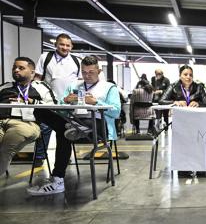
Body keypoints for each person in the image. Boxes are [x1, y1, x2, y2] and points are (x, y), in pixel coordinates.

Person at [27, 56, 121, 196]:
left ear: (99, 71)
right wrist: (64, 101)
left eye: (91, 72)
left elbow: (116, 112)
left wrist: (96, 103)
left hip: (98, 128)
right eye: (84, 72)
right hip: (72, 123)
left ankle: (58, 180)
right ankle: (74, 129)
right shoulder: (73, 86)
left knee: (64, 130)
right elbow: (62, 110)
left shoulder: (109, 88)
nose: (87, 75)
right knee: (42, 111)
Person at [0, 57, 56, 174]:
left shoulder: (41, 87)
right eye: (14, 67)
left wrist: (31, 102)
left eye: (21, 68)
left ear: (32, 72)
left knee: (6, 148)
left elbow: (53, 107)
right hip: (2, 121)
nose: (16, 70)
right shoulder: (5, 87)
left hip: (26, 123)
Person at [33, 33, 80, 167]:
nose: (64, 47)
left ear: (71, 46)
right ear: (56, 44)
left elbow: (80, 83)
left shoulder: (76, 61)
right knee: (45, 129)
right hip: (48, 102)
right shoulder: (45, 57)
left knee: (66, 132)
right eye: (61, 44)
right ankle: (39, 156)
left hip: (68, 104)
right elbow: (37, 78)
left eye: (67, 45)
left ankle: (65, 158)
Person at [160, 65, 206, 178]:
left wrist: (198, 104)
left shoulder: (199, 87)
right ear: (180, 76)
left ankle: (200, 169)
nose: (188, 77)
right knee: (183, 146)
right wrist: (175, 102)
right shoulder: (173, 86)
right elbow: (161, 100)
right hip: (180, 123)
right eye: (185, 74)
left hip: (197, 122)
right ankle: (183, 169)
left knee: (199, 146)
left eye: (190, 75)